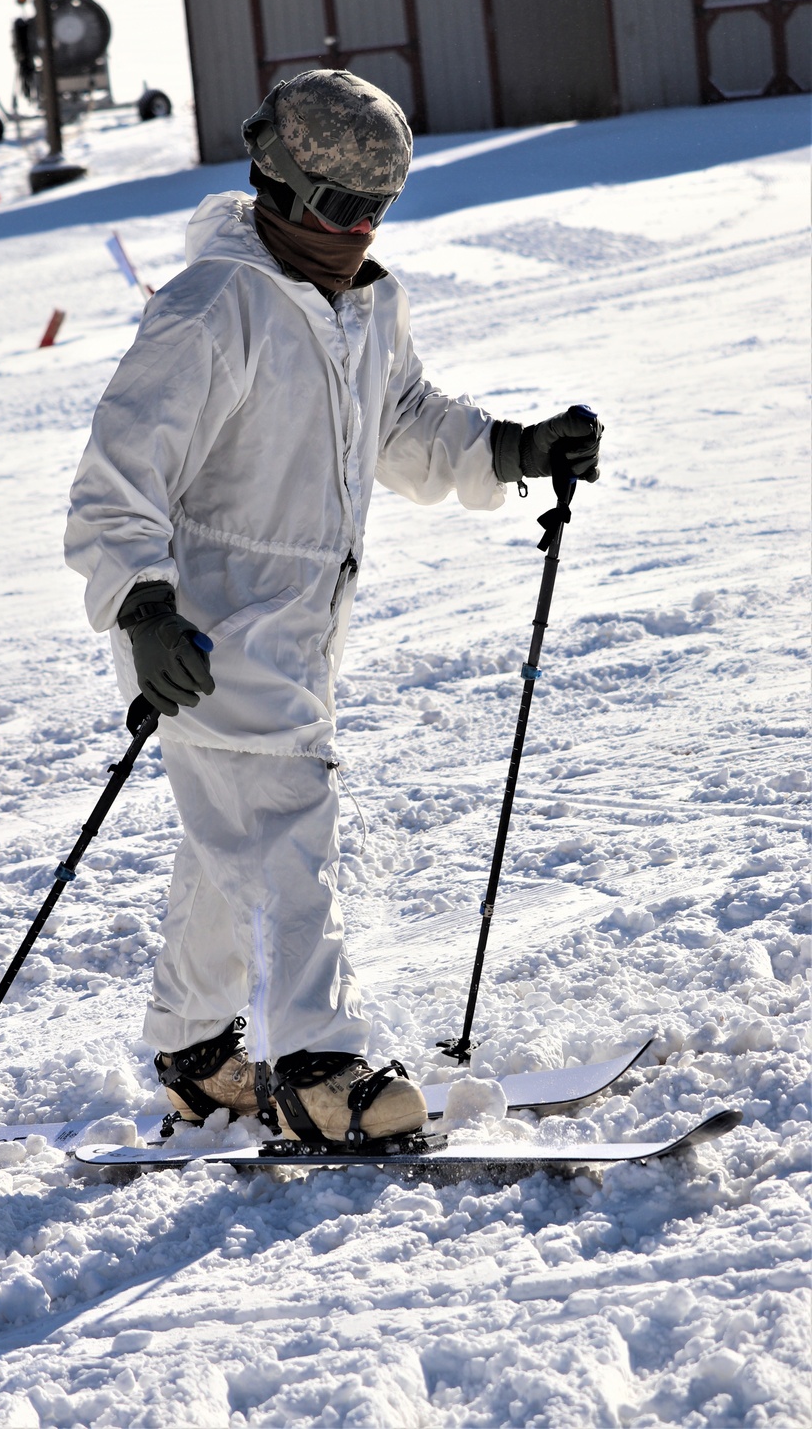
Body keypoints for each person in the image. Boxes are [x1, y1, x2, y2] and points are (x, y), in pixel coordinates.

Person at [64, 70, 602, 1149]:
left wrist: (509, 447)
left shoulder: (366, 303)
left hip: (298, 625)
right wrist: (141, 604)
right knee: (281, 823)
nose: (357, 230)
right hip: (200, 631)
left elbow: (401, 419)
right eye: (338, 208)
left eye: (376, 209)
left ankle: (198, 1051)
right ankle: (314, 1065)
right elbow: (117, 476)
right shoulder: (214, 306)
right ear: (277, 180)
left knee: (237, 834)